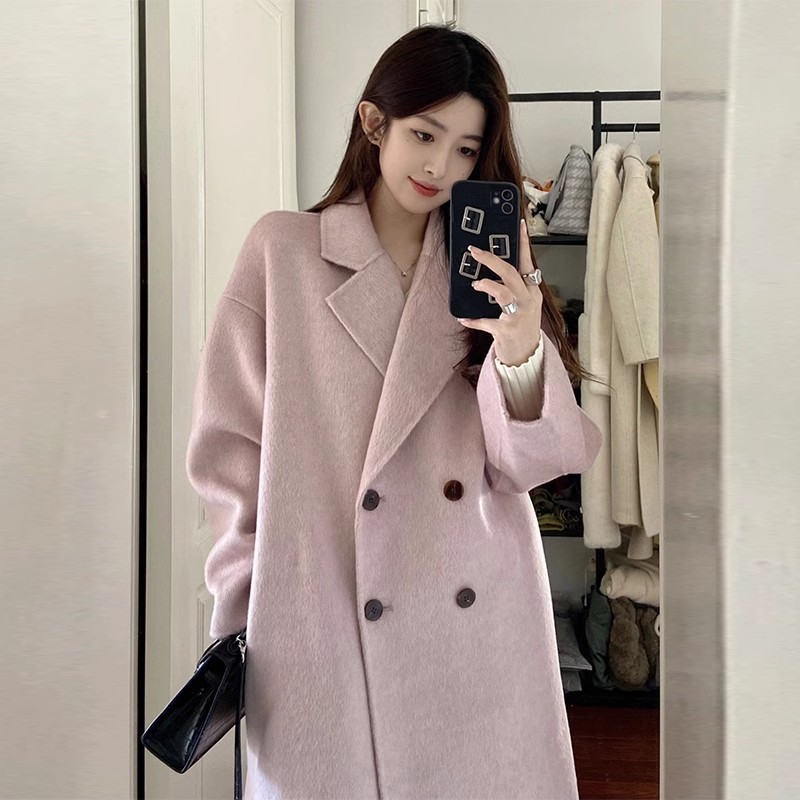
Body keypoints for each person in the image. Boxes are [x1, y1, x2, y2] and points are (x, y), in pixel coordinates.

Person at [186, 22, 602, 800]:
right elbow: (230, 454)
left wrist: (518, 342)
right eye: (424, 134)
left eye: (467, 149)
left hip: (472, 629)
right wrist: (247, 617)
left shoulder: (491, 276)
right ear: (375, 123)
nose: (441, 166)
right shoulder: (283, 253)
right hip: (319, 618)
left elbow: (532, 464)